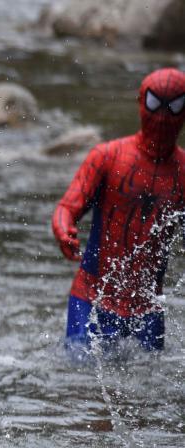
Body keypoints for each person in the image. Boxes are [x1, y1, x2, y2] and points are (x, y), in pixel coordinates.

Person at [52, 68, 185, 355]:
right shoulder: (107, 156)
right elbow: (67, 207)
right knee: (77, 374)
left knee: (149, 379)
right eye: (155, 104)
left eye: (173, 107)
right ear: (140, 102)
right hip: (91, 296)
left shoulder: (183, 173)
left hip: (148, 307)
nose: (162, 117)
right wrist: (63, 229)